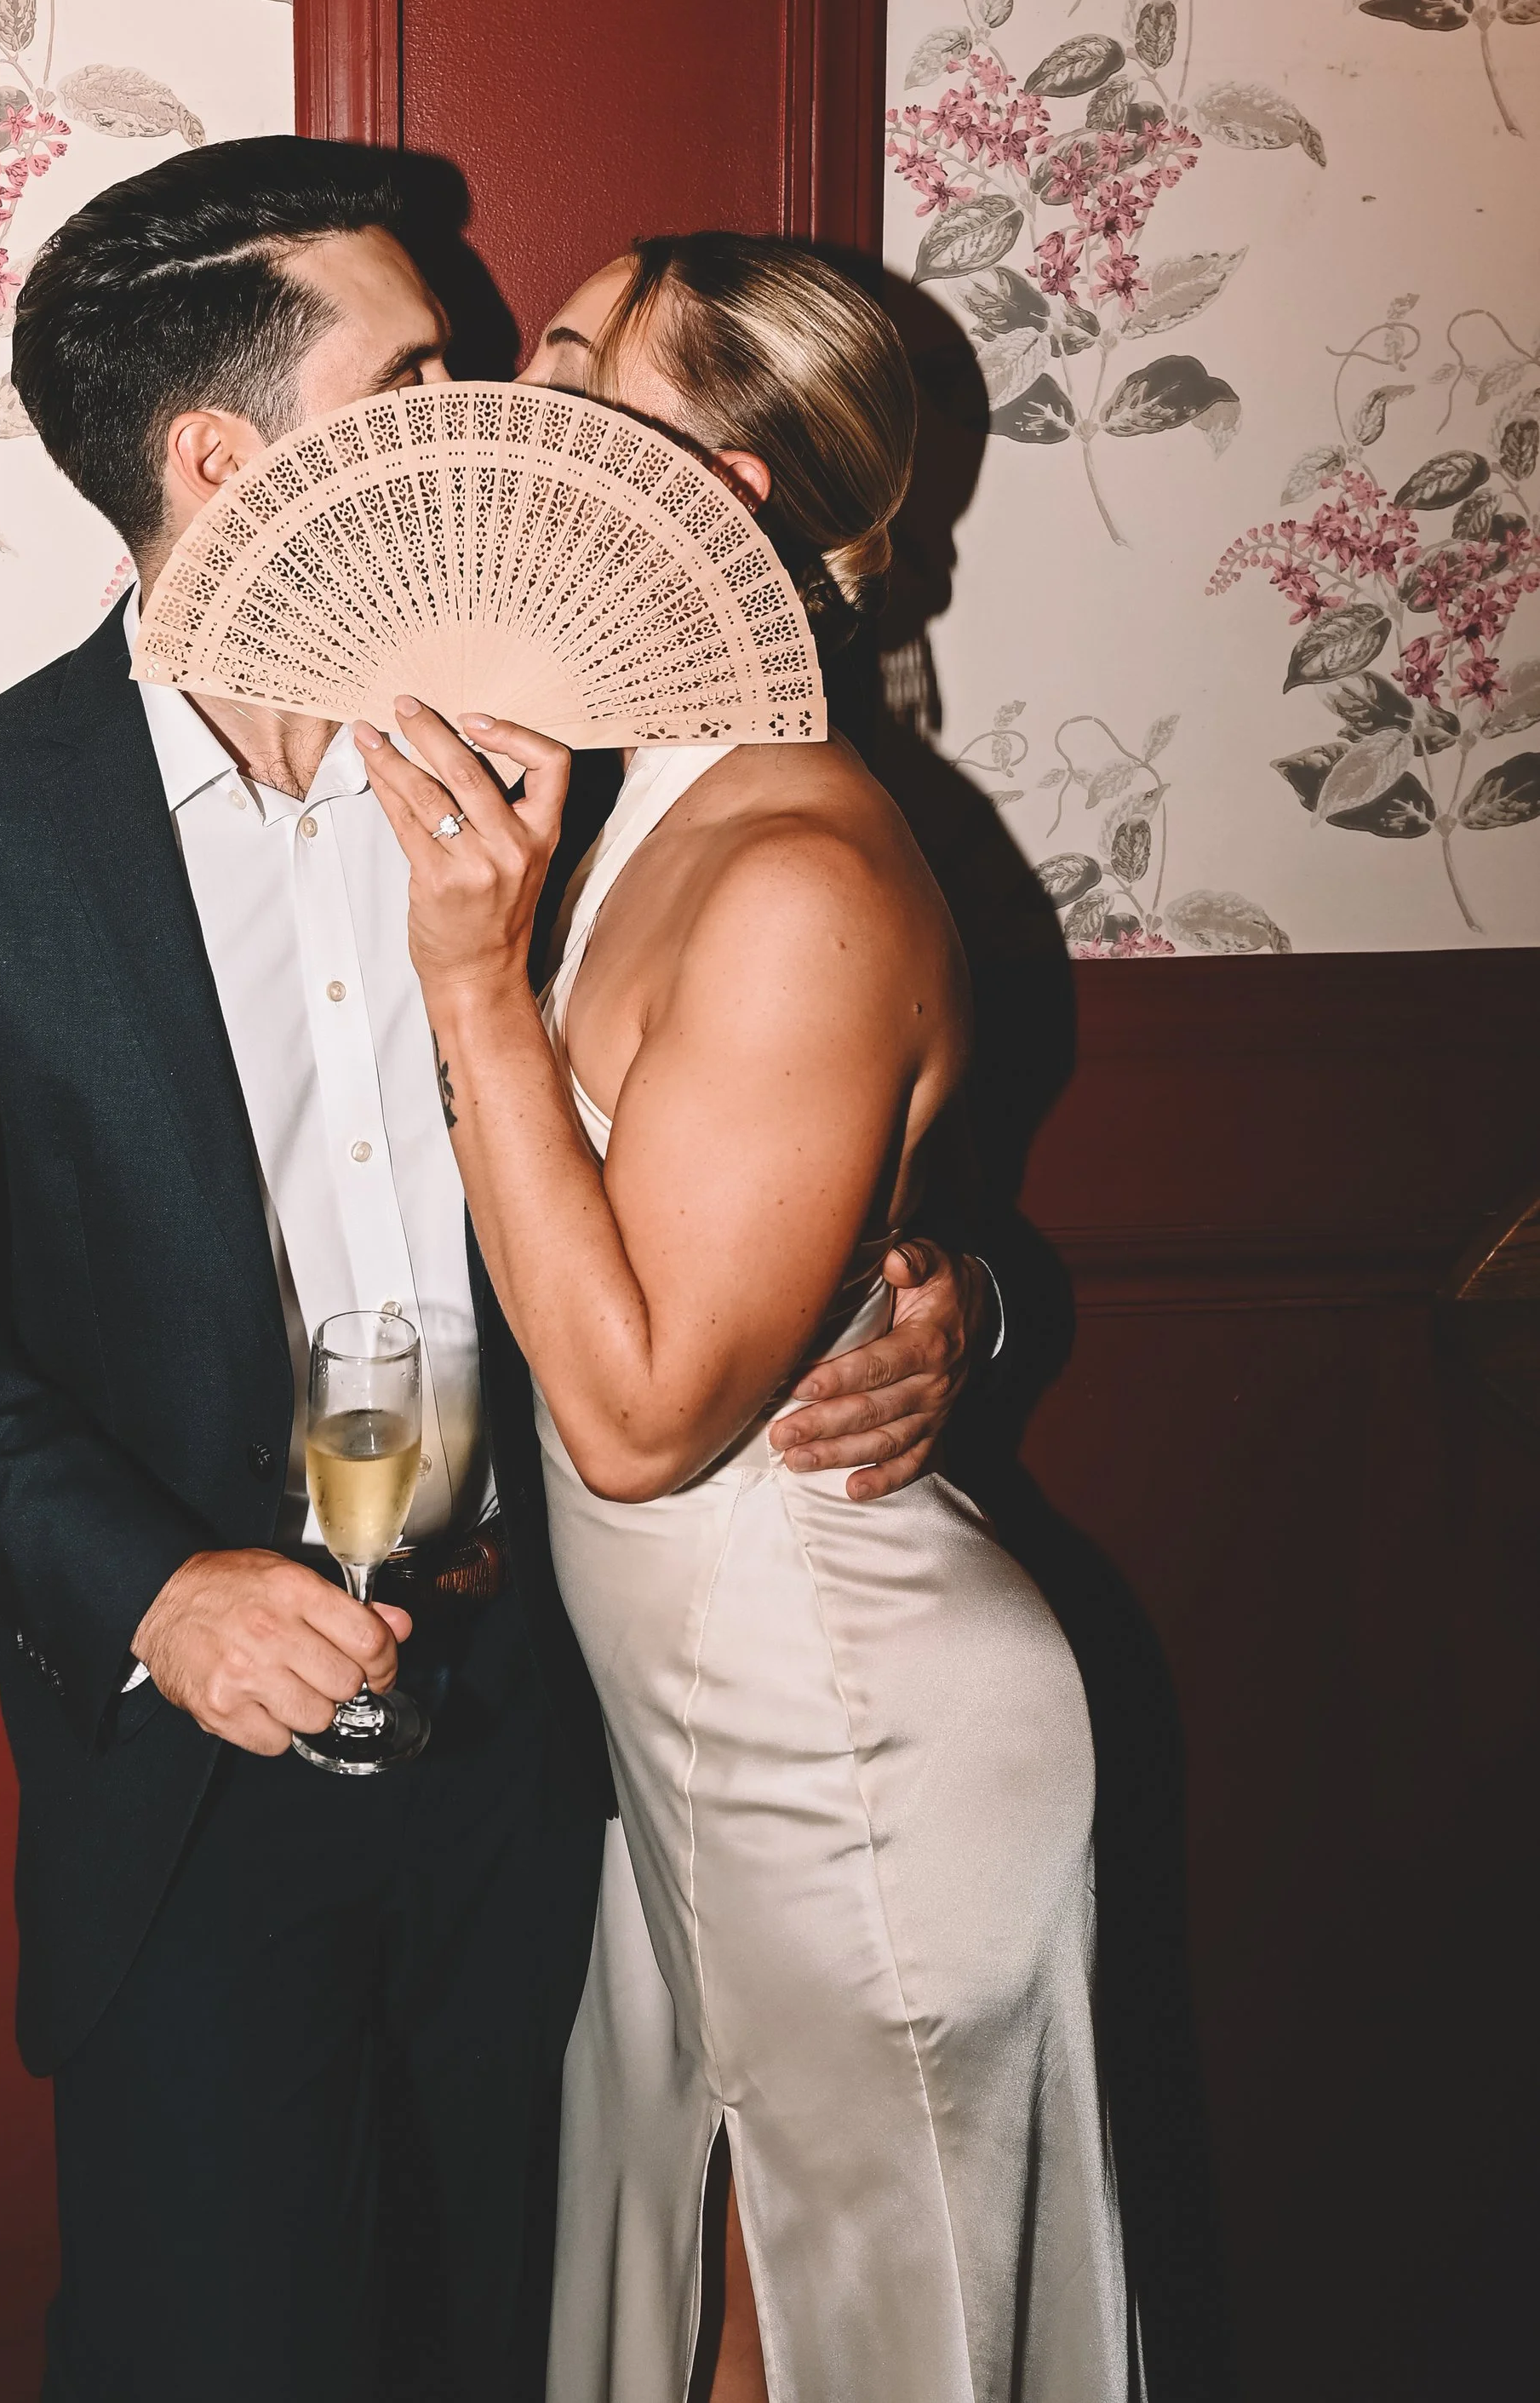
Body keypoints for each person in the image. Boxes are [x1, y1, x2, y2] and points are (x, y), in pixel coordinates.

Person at [0, 145, 999, 2403]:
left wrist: (942, 1291)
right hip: (196, 1770)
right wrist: (151, 1587)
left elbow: (813, 1091)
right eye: (428, 370)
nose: (497, 430)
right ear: (223, 462)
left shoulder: (583, 745)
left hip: (564, 1740)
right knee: (206, 2342)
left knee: (535, 2337)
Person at [360, 233, 1133, 2403]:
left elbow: (628, 1419)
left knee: (838, 2347)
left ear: (736, 491)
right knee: (711, 2322)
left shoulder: (793, 867)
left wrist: (467, 987)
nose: (515, 389)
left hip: (852, 1745)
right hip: (687, 1741)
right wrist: (953, 1292)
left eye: (575, 357)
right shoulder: (617, 804)